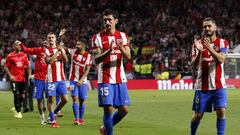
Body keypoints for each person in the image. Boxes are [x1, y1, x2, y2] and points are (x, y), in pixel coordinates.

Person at [91, 9, 131, 135]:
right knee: (107, 109)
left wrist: (120, 48)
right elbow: (95, 60)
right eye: (105, 20)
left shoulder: (123, 36)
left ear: (116, 21)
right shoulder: (97, 38)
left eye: (109, 20)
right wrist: (108, 50)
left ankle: (105, 129)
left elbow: (128, 56)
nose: (107, 22)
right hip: (105, 78)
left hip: (120, 78)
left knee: (124, 110)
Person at [190, 17, 229, 135]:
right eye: (204, 27)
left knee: (221, 111)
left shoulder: (223, 42)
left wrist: (210, 48)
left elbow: (221, 59)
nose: (206, 28)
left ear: (215, 27)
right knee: (198, 116)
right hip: (202, 87)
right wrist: (200, 52)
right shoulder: (197, 44)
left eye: (209, 26)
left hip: (219, 86)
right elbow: (194, 66)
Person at [45, 32, 69, 128]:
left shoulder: (61, 48)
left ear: (55, 39)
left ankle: (53, 114)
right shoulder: (46, 50)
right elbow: (49, 61)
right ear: (47, 40)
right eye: (49, 37)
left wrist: (61, 51)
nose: (51, 39)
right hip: (51, 79)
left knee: (65, 100)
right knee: (52, 100)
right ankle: (53, 121)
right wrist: (56, 52)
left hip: (61, 79)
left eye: (52, 37)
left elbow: (66, 60)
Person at [66, 41, 92, 125]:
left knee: (82, 100)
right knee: (75, 98)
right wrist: (62, 37)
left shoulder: (88, 56)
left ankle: (81, 119)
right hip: (73, 80)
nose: (76, 46)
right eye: (76, 44)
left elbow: (87, 69)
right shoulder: (73, 52)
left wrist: (81, 79)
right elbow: (63, 48)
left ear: (83, 46)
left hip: (83, 81)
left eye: (78, 44)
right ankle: (76, 119)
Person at [4, 40, 31, 118]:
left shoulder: (24, 55)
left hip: (22, 79)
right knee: (16, 94)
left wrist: (29, 75)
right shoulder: (10, 56)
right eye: (16, 45)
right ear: (13, 46)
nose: (18, 46)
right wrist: (10, 76)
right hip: (14, 79)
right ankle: (18, 112)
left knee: (22, 96)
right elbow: (6, 67)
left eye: (19, 45)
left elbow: (28, 66)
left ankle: (16, 107)